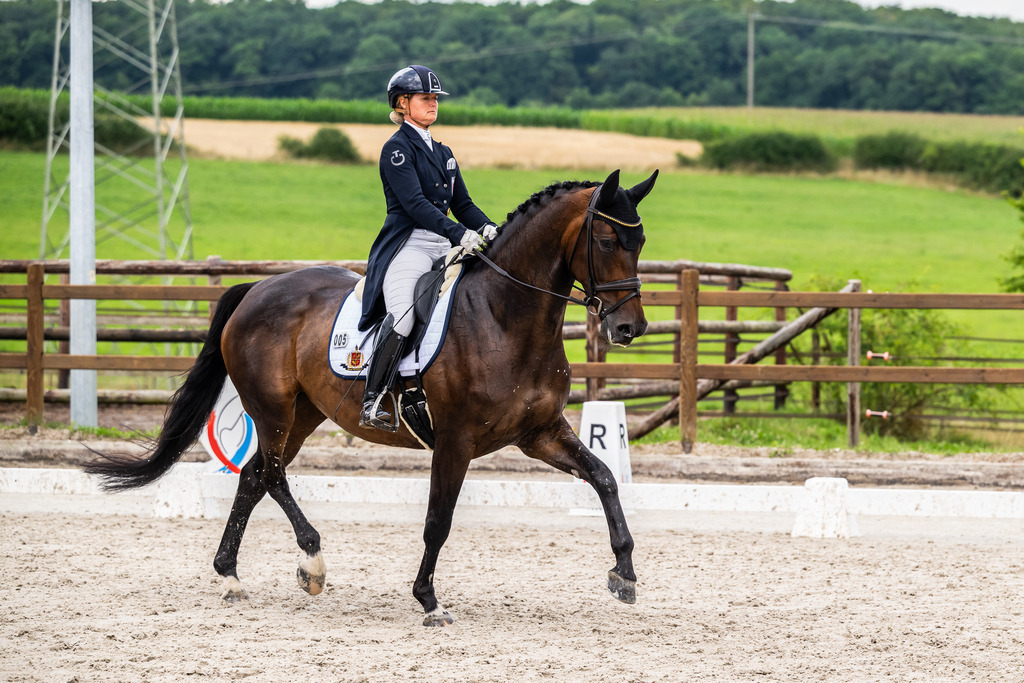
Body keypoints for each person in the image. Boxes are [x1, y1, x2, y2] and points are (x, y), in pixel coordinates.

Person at [358, 64, 498, 431]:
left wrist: (489, 228)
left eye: (436, 98)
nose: (433, 104)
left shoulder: (443, 151)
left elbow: (463, 204)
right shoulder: (397, 150)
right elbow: (416, 204)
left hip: (446, 241)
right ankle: (373, 399)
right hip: (410, 244)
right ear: (403, 103)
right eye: (425, 98)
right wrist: (459, 233)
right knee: (403, 315)